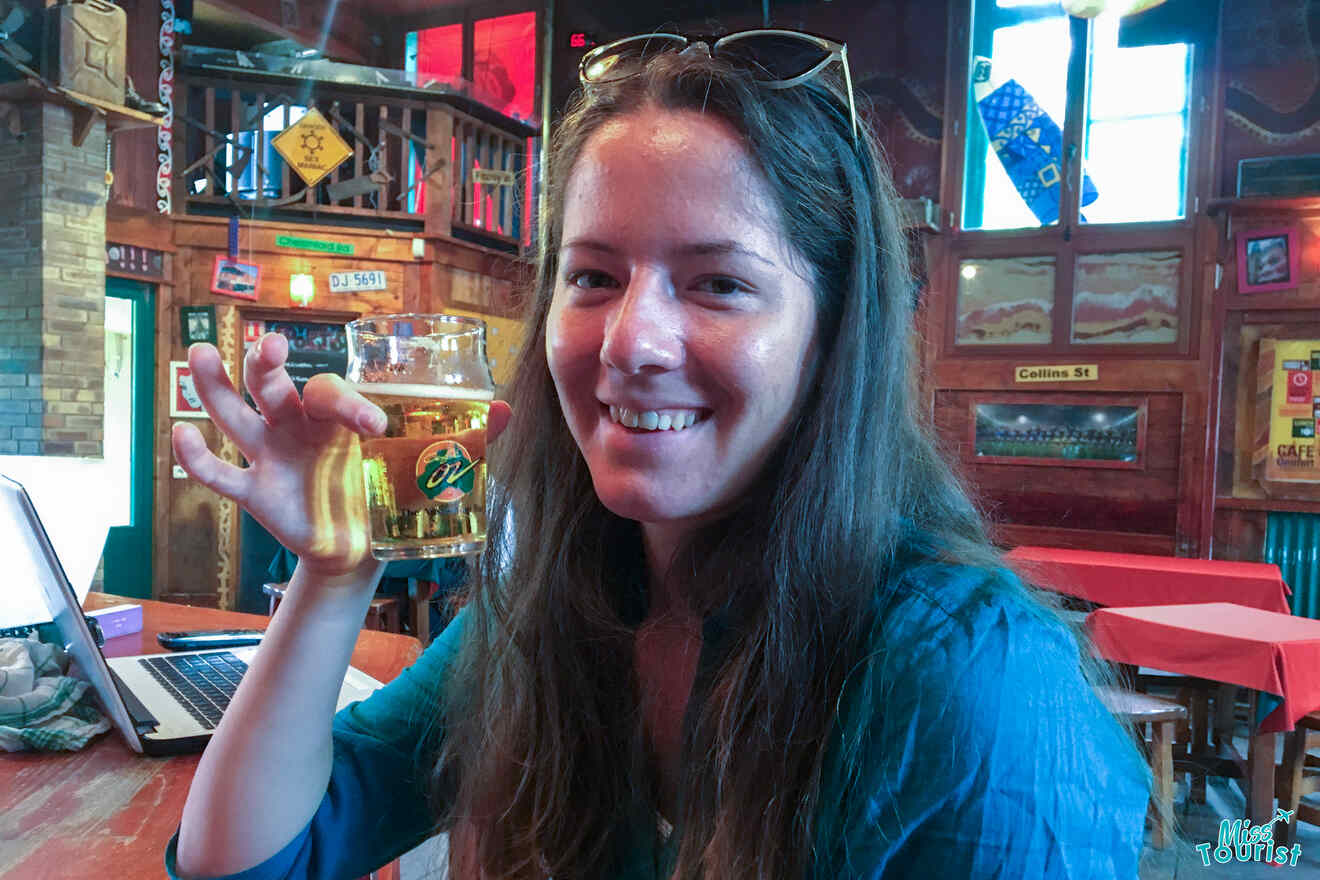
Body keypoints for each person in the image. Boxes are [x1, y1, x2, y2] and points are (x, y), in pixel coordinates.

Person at [167, 30, 1151, 880]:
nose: (630, 340)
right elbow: (252, 858)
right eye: (593, 274)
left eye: (718, 283)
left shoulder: (978, 683)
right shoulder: (564, 598)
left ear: (832, 334)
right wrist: (336, 573)